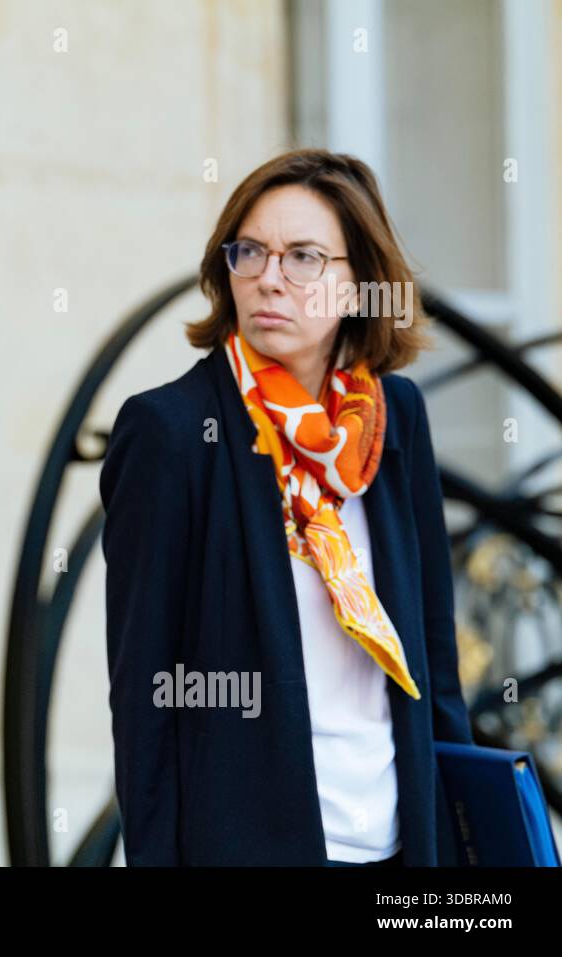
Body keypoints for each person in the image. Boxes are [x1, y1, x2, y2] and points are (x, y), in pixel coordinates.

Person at [101, 148, 473, 866]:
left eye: (304, 257)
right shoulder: (172, 433)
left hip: (401, 851)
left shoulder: (395, 418)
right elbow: (144, 701)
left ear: (359, 282)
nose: (270, 278)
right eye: (250, 253)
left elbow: (434, 660)